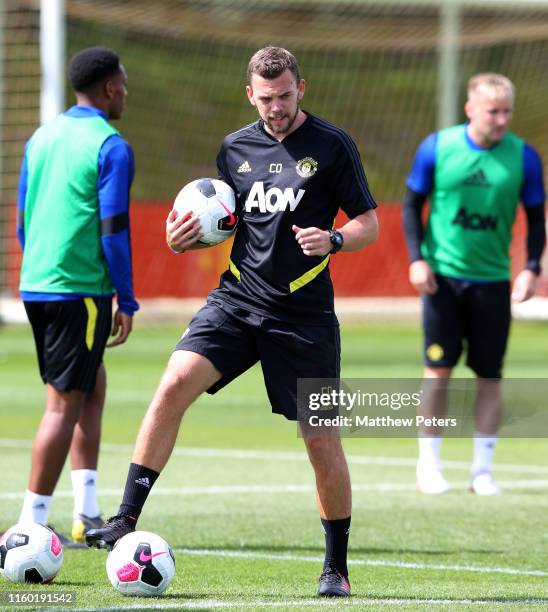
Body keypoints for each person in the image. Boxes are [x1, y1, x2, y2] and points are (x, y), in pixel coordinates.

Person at [86, 46, 378, 597]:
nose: (276, 108)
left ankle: (335, 568)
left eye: (286, 96)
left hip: (304, 315)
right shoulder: (234, 149)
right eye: (266, 99)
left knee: (321, 440)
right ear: (251, 94)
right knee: (172, 384)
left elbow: (370, 223)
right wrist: (183, 236)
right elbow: (221, 220)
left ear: (302, 88)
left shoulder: (332, 146)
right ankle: (125, 516)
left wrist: (335, 239)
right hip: (238, 302)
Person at [16, 47, 139, 544]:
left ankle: (88, 513)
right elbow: (113, 231)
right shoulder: (111, 145)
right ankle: (30, 525)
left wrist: (44, 266)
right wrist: (125, 299)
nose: (126, 92)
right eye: (124, 83)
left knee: (92, 386)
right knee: (63, 405)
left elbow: (24, 219)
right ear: (110, 87)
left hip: (38, 281)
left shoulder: (41, 137)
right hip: (79, 289)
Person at [403, 73, 546, 496]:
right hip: (443, 279)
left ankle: (482, 471)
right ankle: (428, 466)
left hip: (493, 282)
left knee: (490, 377)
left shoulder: (524, 157)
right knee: (438, 372)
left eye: (507, 111)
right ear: (471, 109)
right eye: (492, 111)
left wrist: (532, 267)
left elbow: (537, 218)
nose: (501, 120)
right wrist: (417, 260)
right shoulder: (437, 148)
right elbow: (411, 206)